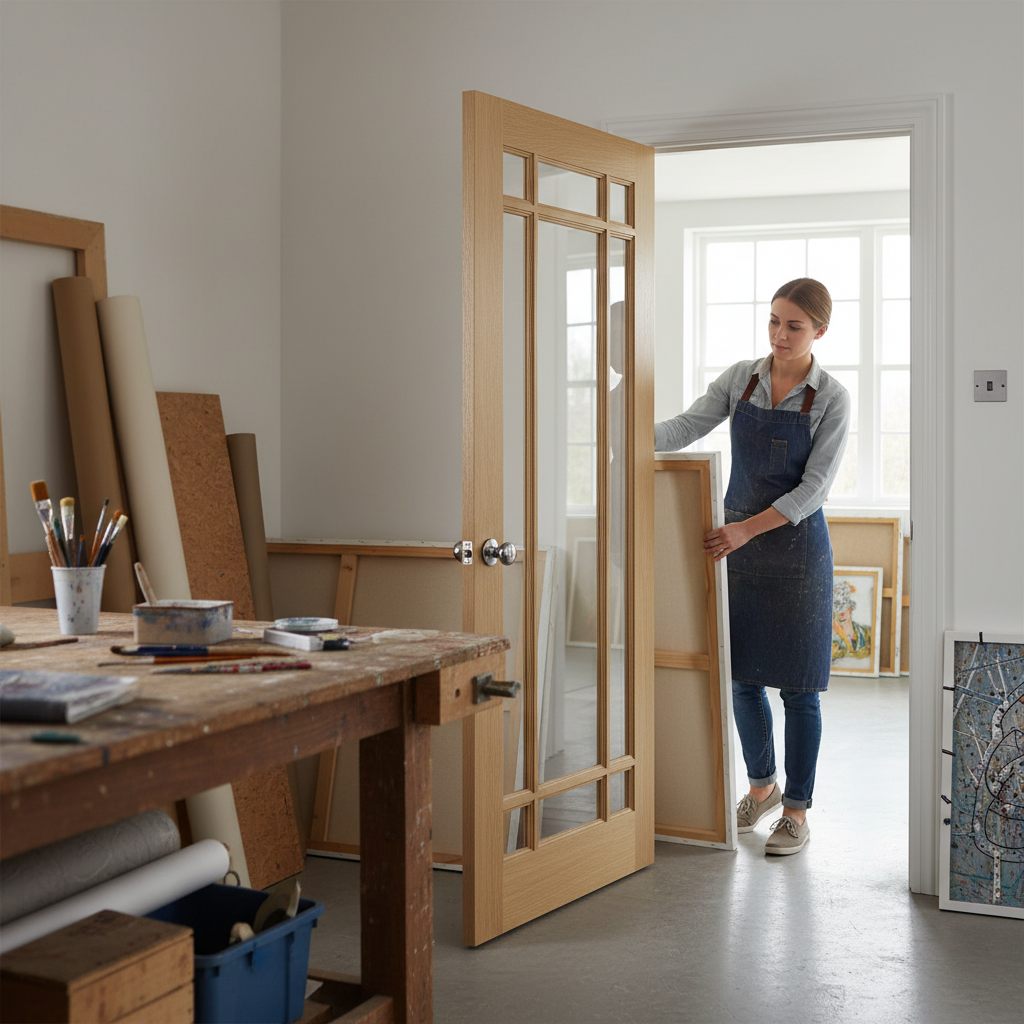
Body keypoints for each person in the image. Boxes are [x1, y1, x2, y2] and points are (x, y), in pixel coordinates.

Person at [655, 278, 850, 855]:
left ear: (819, 331)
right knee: (742, 679)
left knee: (799, 690)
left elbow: (813, 489)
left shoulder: (831, 397)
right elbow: (687, 427)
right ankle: (762, 787)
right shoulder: (742, 378)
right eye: (773, 321)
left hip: (795, 554)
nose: (779, 334)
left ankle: (797, 812)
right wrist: (624, 434)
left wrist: (743, 528)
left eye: (793, 325)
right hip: (736, 552)